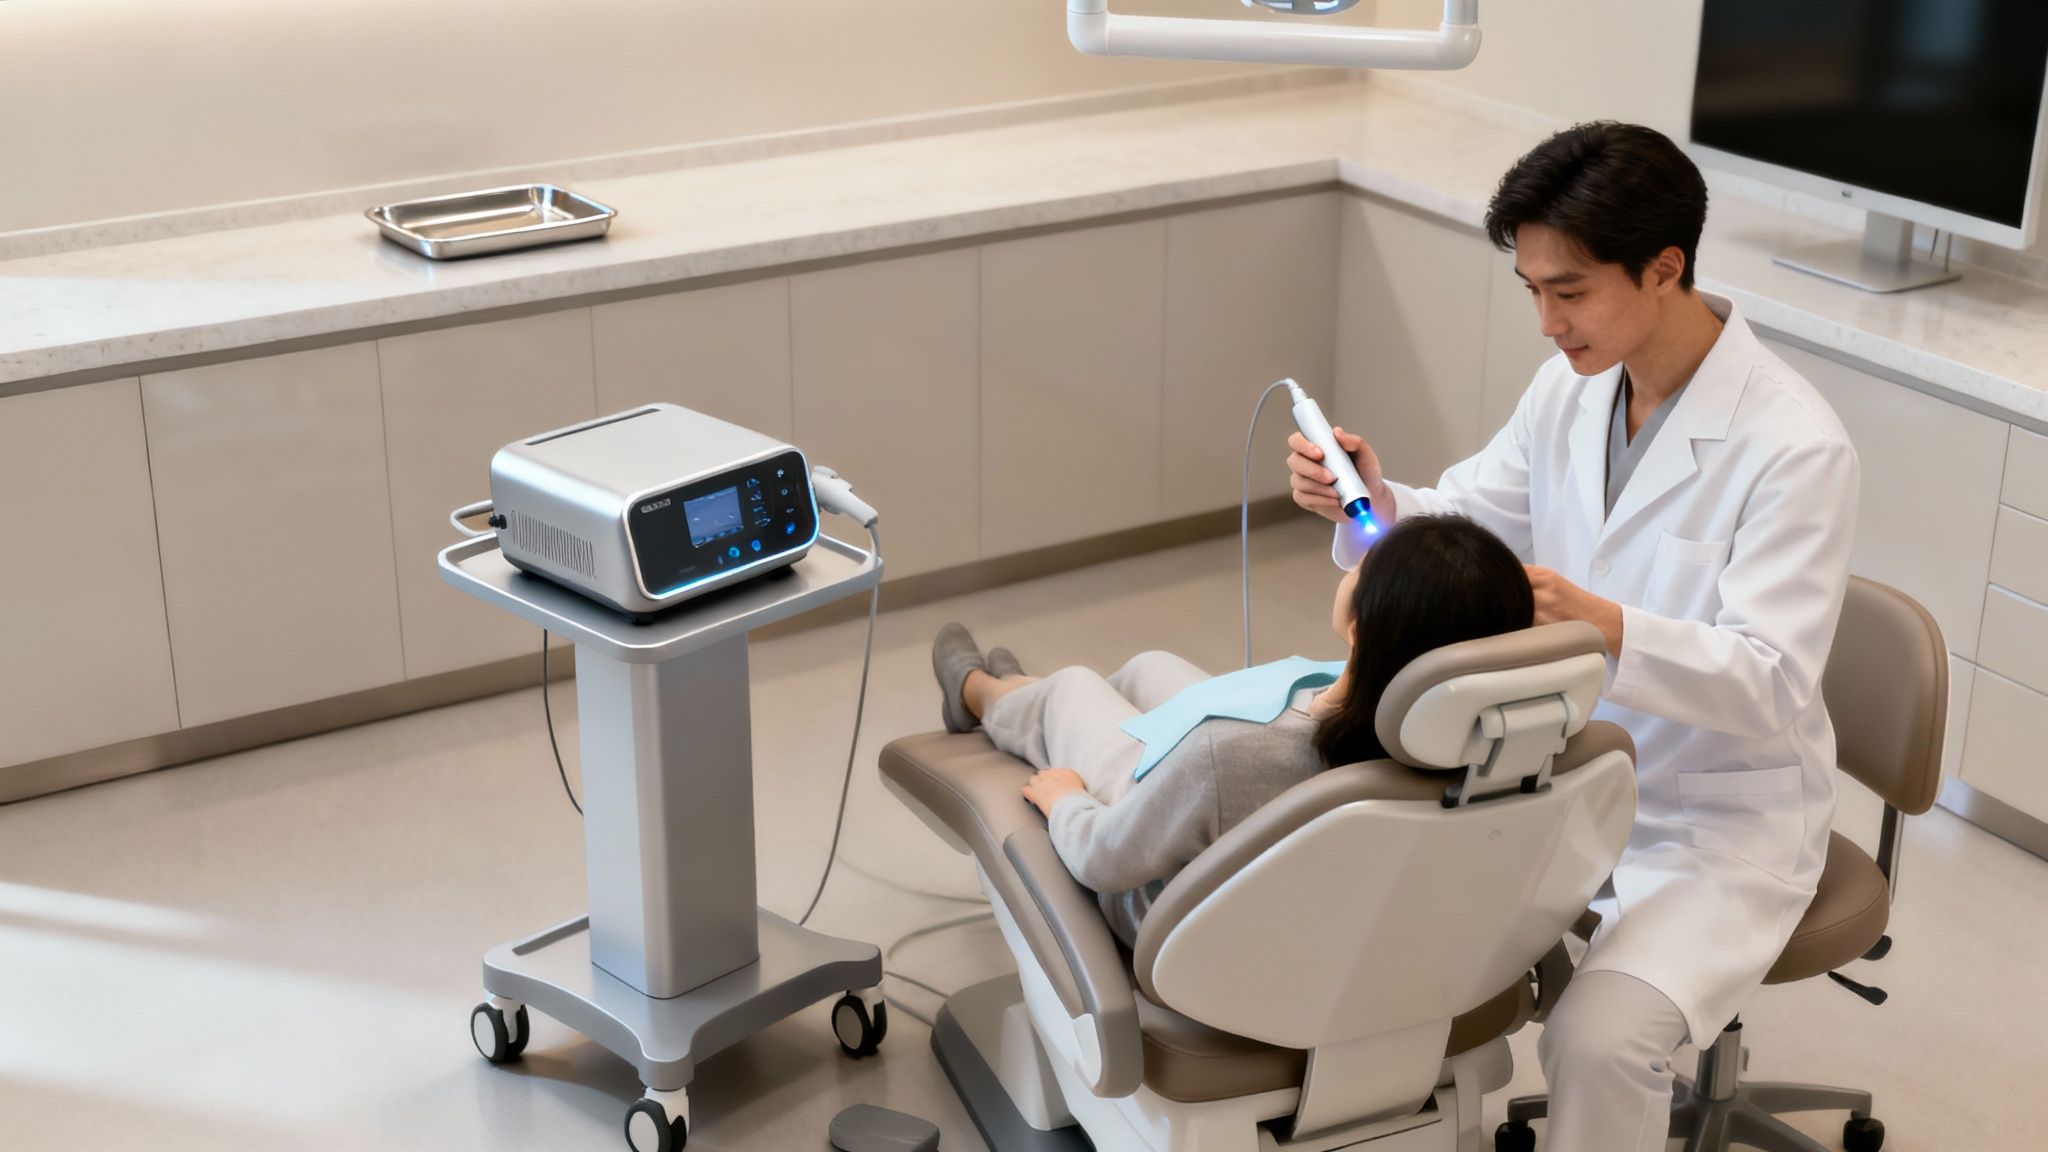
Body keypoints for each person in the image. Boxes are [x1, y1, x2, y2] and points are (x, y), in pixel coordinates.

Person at [1287, 122, 1859, 1152]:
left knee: (1597, 1040)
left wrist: (1609, 629)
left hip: (1713, 821)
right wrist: (1368, 504)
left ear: (1663, 268)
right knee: (1375, 929)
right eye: (1531, 291)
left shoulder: (1792, 447)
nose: (1546, 322)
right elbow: (1465, 518)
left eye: (1570, 290)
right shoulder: (1572, 386)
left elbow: (1773, 682)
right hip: (1561, 776)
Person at [929, 515, 1533, 947]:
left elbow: (1105, 859)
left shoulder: (1230, 756)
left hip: (1179, 926)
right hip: (1334, 912)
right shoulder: (1486, 751)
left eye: (1366, 565)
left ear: (1360, 627)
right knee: (1148, 667)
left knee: (1073, 688)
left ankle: (979, 693)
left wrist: (1065, 800)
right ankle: (1025, 699)